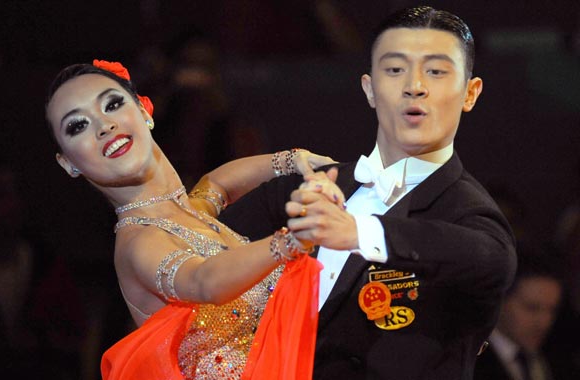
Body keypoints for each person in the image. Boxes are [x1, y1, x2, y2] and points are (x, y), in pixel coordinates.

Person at [218, 5, 517, 379]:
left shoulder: (468, 210)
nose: (415, 86)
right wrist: (207, 192)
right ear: (370, 89)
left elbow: (492, 258)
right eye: (395, 69)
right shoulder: (308, 187)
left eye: (437, 71)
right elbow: (200, 248)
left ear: (470, 93)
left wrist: (361, 232)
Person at [44, 59, 340, 379]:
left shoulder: (191, 212)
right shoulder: (138, 242)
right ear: (68, 164)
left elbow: (218, 184)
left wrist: (294, 160)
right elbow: (204, 281)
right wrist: (291, 240)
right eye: (77, 126)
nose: (103, 126)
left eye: (112, 104)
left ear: (144, 111)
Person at [0, 149, 86, 379]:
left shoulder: (47, 266)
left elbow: (74, 339)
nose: (11, 204)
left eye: (14, 193)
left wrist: (39, 341)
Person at [474, 246, 567, 380]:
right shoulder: (468, 360)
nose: (545, 322)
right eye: (532, 308)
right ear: (500, 301)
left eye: (552, 310)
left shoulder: (557, 357)